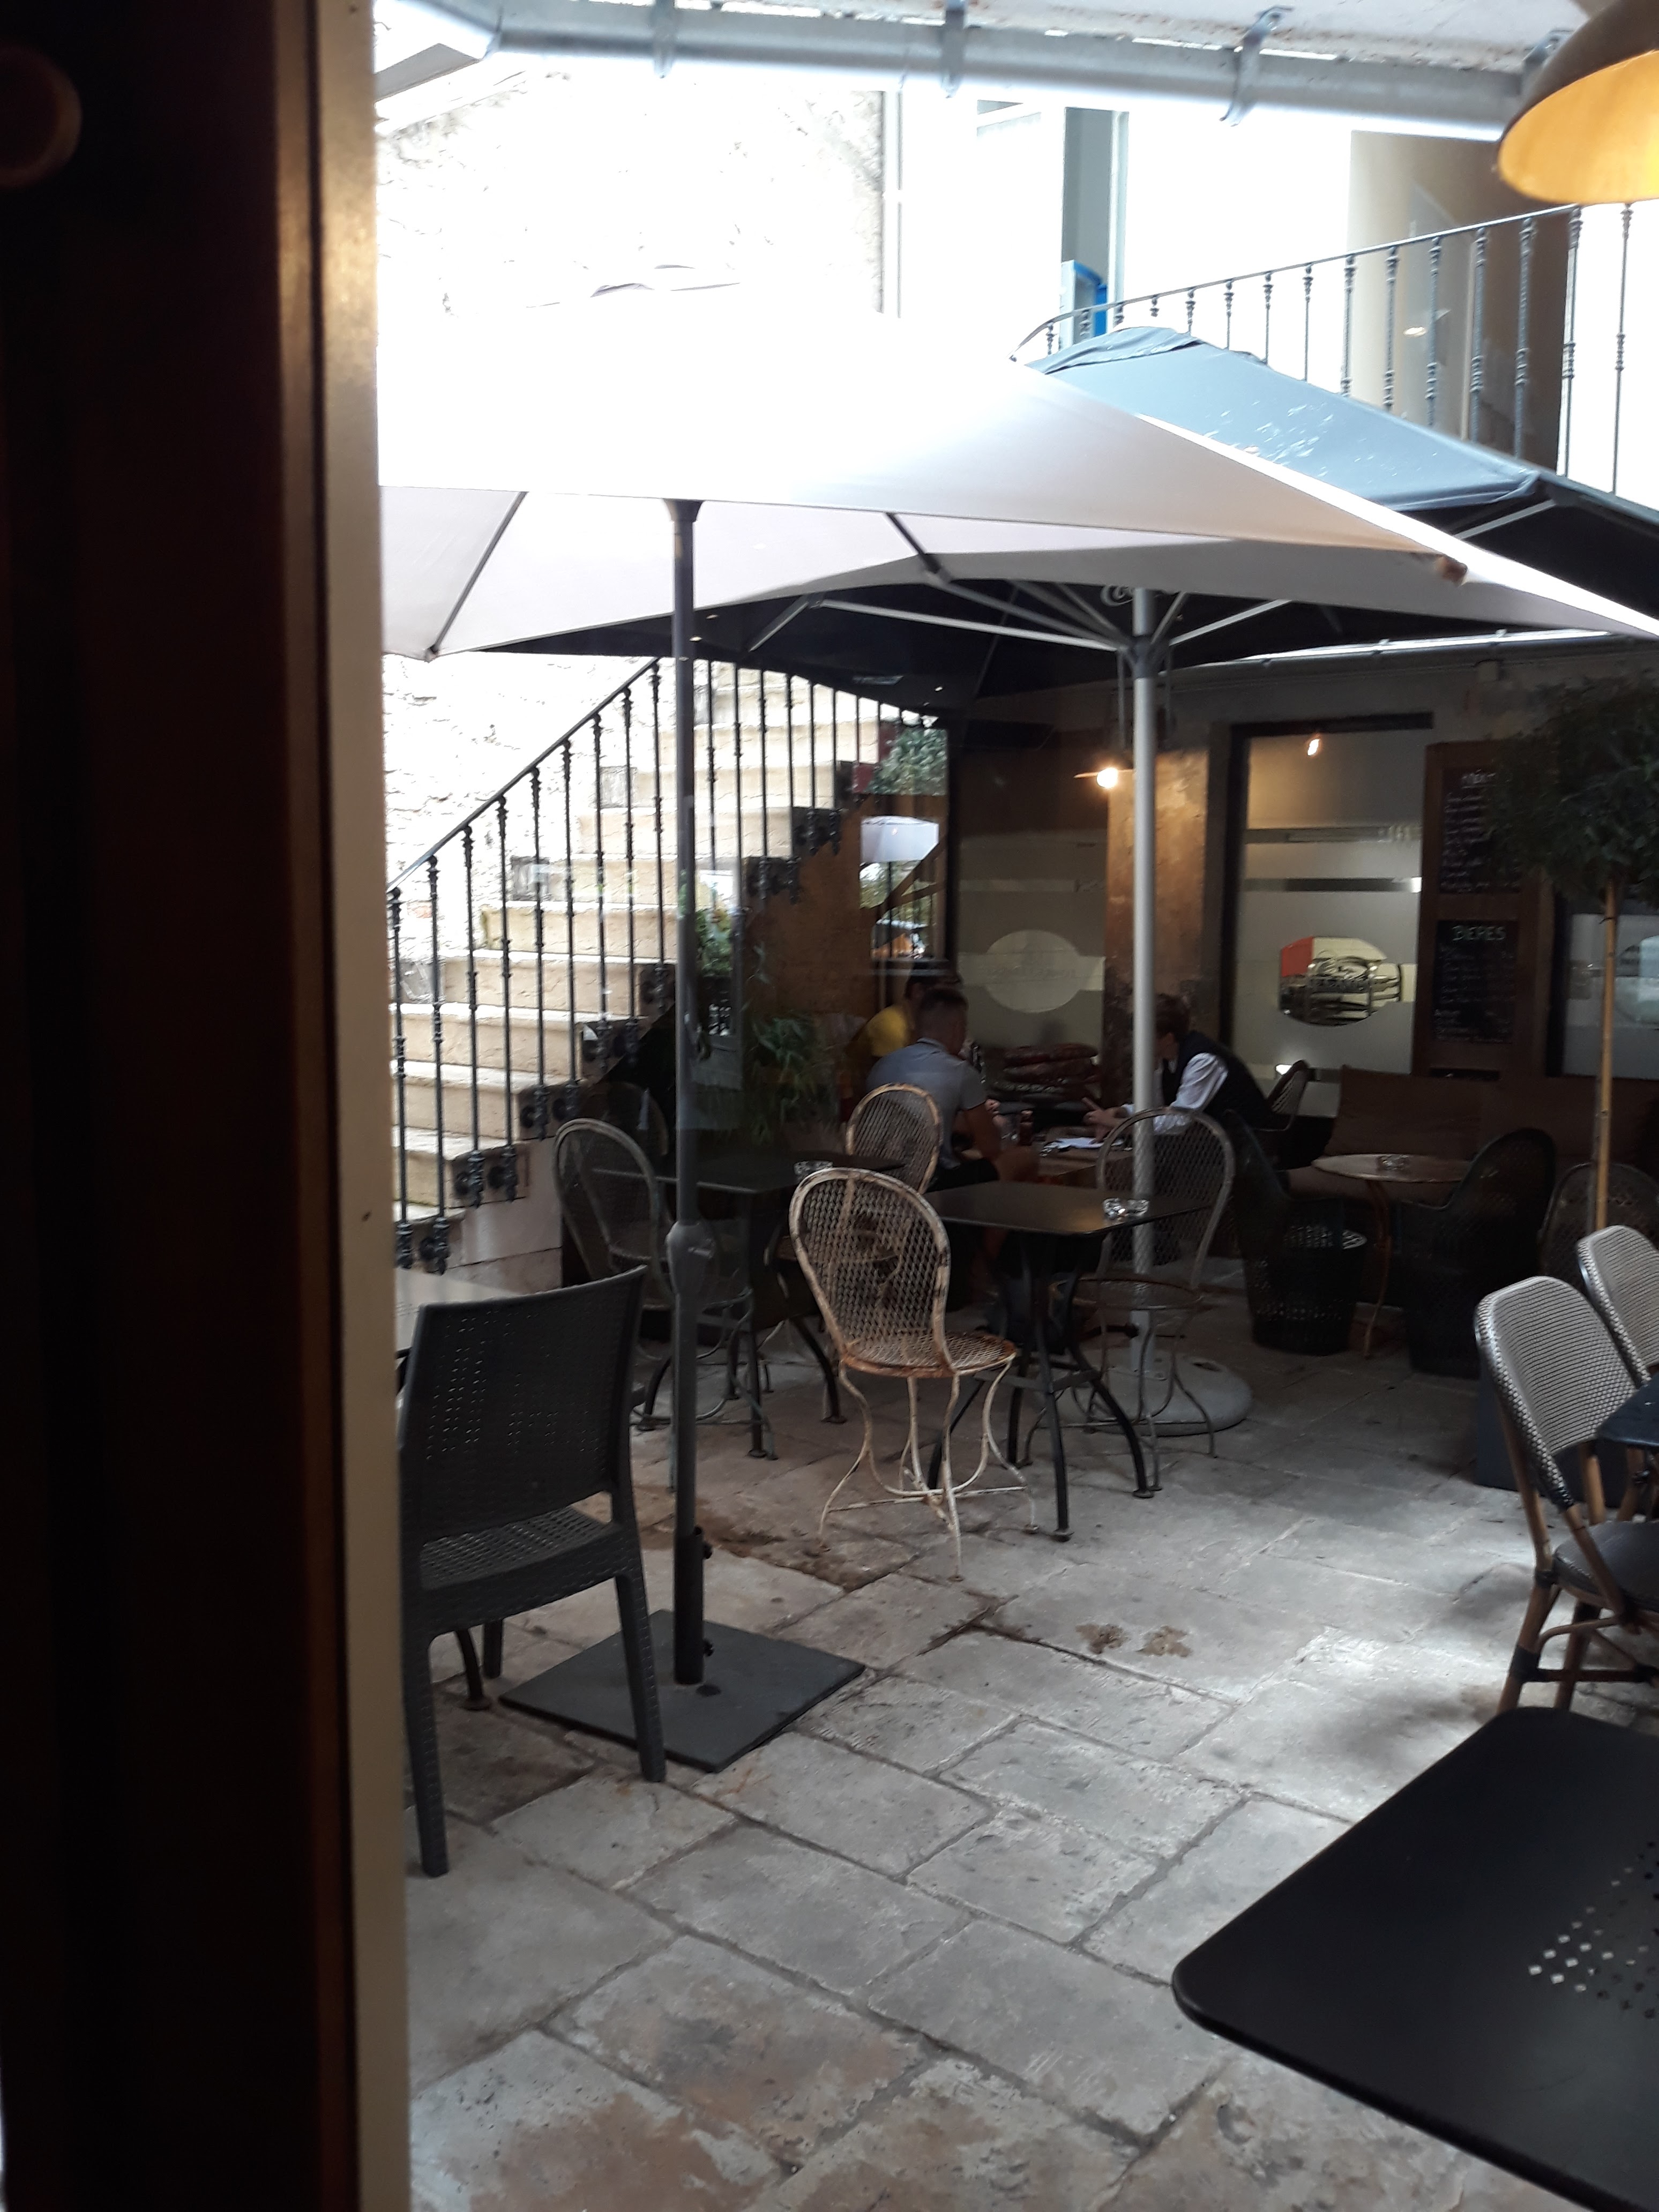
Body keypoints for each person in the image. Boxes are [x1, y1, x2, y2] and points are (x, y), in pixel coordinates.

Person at [870, 984, 1037, 1188]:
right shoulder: (961, 1072)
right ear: (957, 1028)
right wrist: (987, 1120)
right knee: (1025, 1157)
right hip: (932, 1185)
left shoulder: (881, 1066)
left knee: (961, 1158)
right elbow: (991, 1149)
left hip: (880, 1182)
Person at [1086, 993, 1273, 1136]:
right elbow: (1157, 1107)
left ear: (1168, 1039)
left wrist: (1118, 1125)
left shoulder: (1203, 1061)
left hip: (1248, 1145)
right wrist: (1123, 1112)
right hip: (1210, 1143)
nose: (1137, 1042)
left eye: (1144, 1035)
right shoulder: (1165, 1058)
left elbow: (1179, 1121)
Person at [845, 964, 954, 1096]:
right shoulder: (890, 1027)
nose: (950, 1007)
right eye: (942, 997)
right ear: (918, 991)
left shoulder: (921, 1025)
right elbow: (890, 1090)